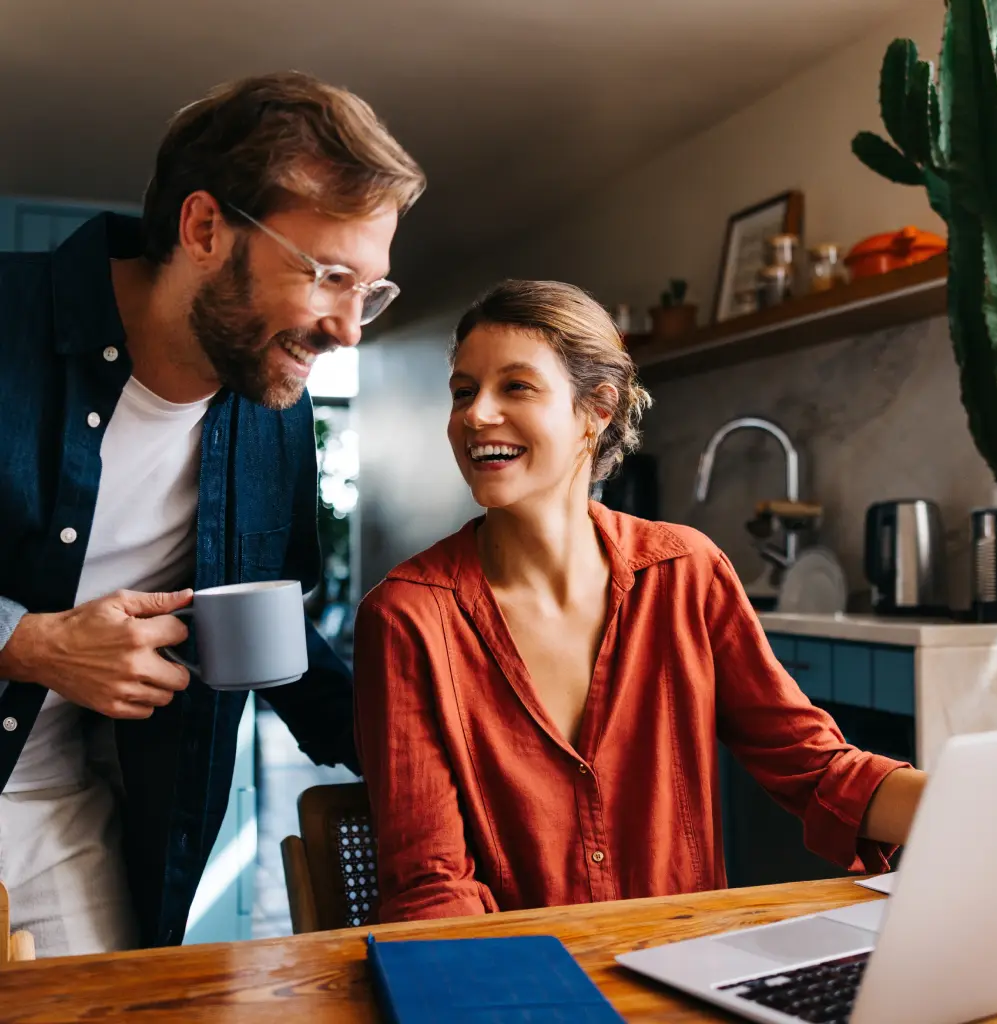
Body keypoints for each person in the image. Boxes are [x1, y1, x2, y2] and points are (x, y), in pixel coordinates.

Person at [0, 71, 425, 955]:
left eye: (370, 291)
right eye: (329, 275)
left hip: (48, 805)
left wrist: (423, 748)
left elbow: (266, 629)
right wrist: (25, 643)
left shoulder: (275, 411)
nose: (350, 328)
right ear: (203, 229)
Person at [353, 279, 926, 923]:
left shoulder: (686, 571)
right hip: (519, 983)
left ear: (596, 410)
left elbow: (818, 771)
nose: (475, 414)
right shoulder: (406, 616)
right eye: (464, 392)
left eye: (515, 386)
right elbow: (431, 886)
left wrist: (980, 802)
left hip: (689, 963)